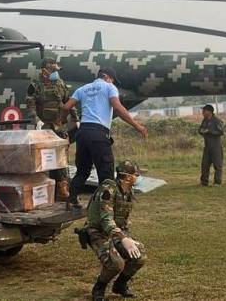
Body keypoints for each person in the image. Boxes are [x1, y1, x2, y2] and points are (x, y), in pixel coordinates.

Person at [62, 68, 147, 208]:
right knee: (106, 173)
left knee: (82, 171)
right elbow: (118, 107)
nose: (113, 82)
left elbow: (66, 107)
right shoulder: (109, 87)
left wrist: (62, 121)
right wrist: (137, 126)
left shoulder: (83, 89)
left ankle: (71, 200)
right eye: (113, 80)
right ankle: (105, 206)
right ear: (107, 77)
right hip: (98, 134)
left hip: (82, 133)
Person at [76, 160, 147, 301]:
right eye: (136, 174)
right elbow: (106, 220)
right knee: (115, 263)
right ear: (127, 177)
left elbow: (122, 219)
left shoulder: (127, 191)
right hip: (97, 232)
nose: (137, 177)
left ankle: (120, 285)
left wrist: (127, 237)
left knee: (140, 256)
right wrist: (123, 238)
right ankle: (99, 288)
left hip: (116, 232)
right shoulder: (108, 191)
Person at [26, 57, 76, 200]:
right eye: (53, 70)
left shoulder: (60, 84)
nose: (56, 73)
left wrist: (75, 118)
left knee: (61, 158)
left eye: (56, 70)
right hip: (44, 127)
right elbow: (30, 104)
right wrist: (36, 120)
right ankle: (46, 189)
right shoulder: (35, 85)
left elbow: (68, 101)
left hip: (59, 126)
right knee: (44, 159)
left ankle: (63, 189)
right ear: (44, 70)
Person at [199, 104, 225, 186]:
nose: (202, 112)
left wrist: (210, 132)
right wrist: (202, 131)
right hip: (207, 147)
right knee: (204, 165)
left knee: (217, 165)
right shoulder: (204, 120)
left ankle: (217, 182)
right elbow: (200, 130)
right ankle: (204, 182)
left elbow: (221, 132)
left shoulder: (216, 121)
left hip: (215, 146)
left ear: (209, 112)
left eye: (204, 111)